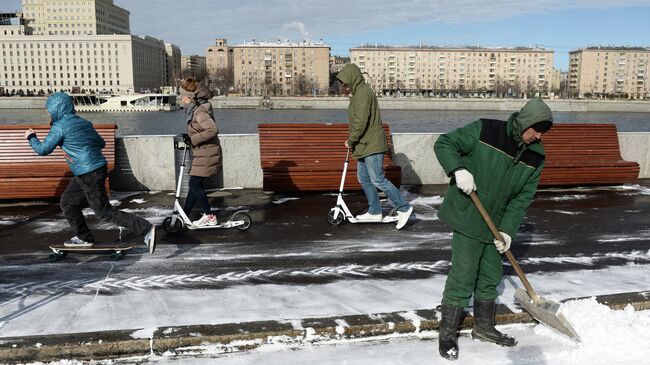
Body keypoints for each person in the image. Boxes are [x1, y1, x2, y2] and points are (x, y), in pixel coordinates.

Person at [433, 98, 553, 360]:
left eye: (543, 131)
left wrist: (508, 231)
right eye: (536, 129)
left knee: (490, 276)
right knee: (463, 275)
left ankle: (484, 327)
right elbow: (444, 142)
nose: (539, 135)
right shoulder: (486, 130)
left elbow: (521, 198)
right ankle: (447, 332)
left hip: (496, 225)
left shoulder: (536, 157)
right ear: (525, 122)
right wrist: (458, 169)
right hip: (469, 214)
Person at [25, 92, 159, 253]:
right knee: (67, 202)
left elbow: (42, 149)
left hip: (88, 173)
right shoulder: (84, 123)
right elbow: (100, 143)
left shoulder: (59, 127)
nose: (47, 113)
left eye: (48, 110)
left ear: (56, 110)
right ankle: (84, 237)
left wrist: (31, 137)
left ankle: (146, 229)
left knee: (104, 212)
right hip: (92, 170)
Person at [336, 64, 413, 229]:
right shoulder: (357, 94)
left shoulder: (363, 93)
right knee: (363, 178)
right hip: (365, 144)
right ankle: (374, 211)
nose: (343, 86)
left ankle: (404, 208)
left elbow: (361, 121)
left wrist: (351, 139)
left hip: (371, 144)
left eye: (344, 82)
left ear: (352, 78)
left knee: (377, 178)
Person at [178, 77, 221, 227]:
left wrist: (194, 139)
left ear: (190, 98)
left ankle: (209, 216)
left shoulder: (199, 112)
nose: (181, 99)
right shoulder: (195, 110)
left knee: (195, 185)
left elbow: (213, 129)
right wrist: (190, 137)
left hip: (207, 153)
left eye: (182, 96)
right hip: (203, 152)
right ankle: (185, 215)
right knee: (194, 185)